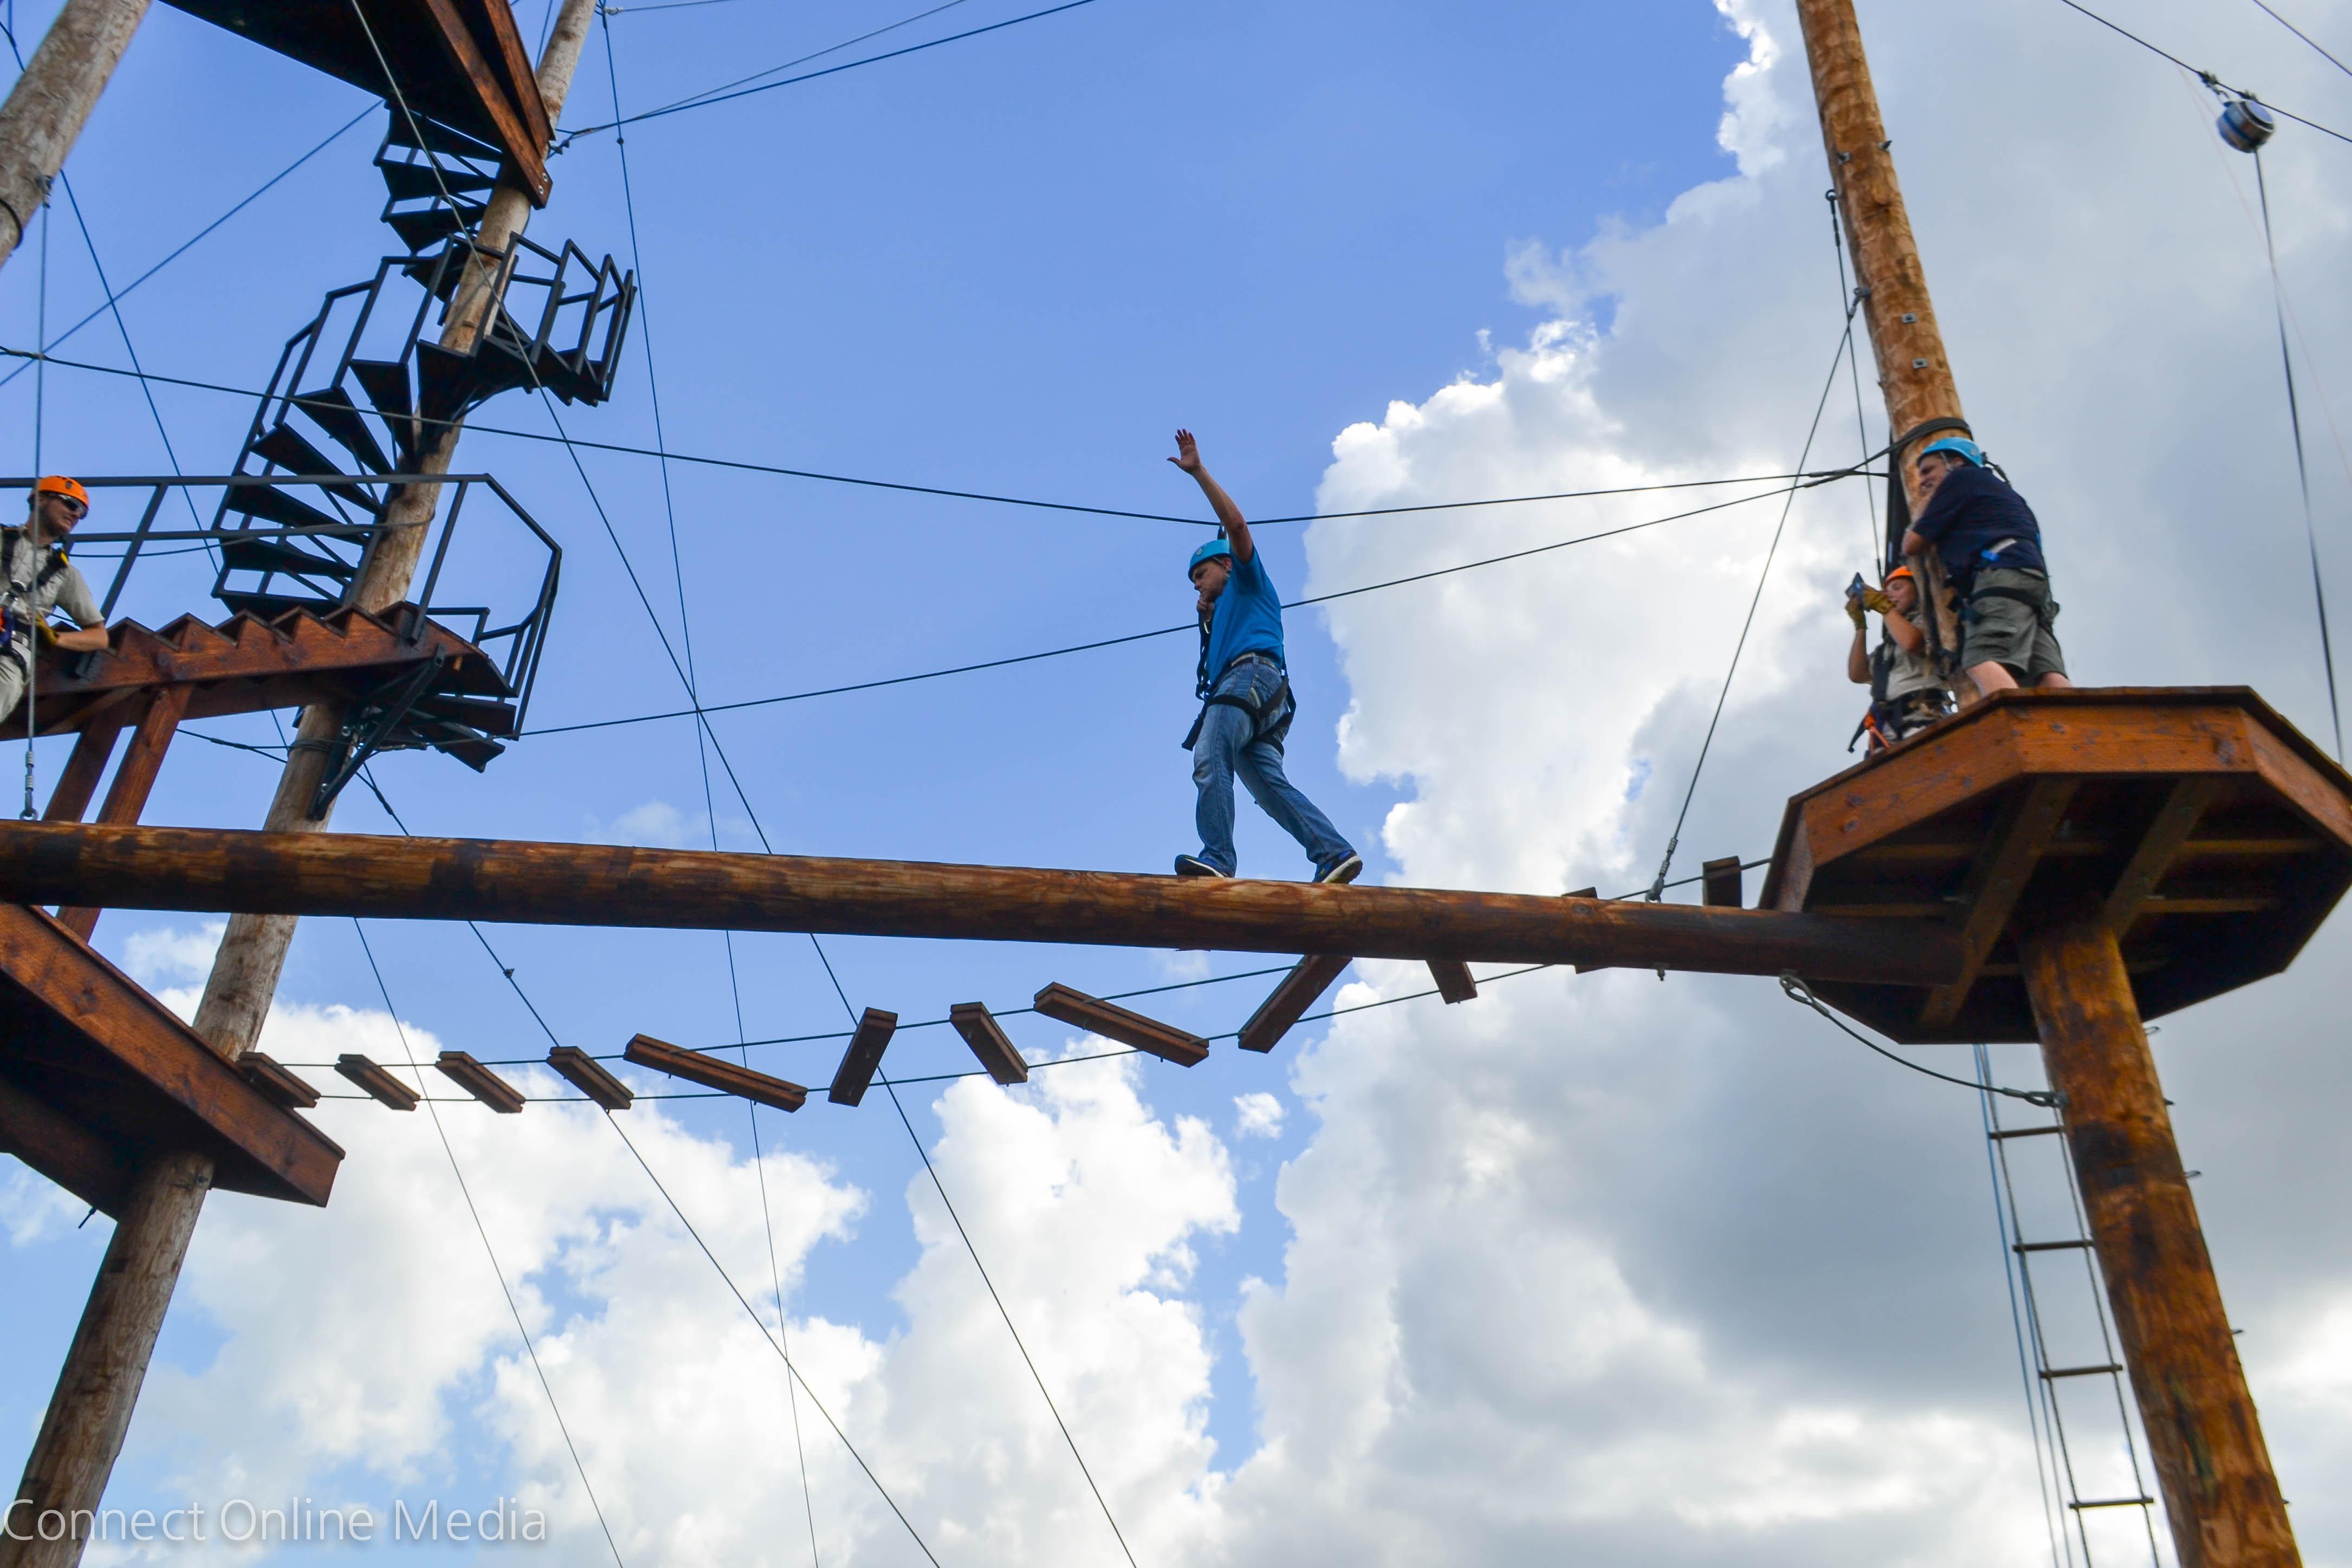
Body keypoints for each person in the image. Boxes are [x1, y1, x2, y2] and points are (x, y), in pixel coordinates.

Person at [1168, 430, 1361, 884]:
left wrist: (1198, 473)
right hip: (1267, 699)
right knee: (1269, 787)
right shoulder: (1225, 612)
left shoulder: (1248, 580)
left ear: (1227, 565)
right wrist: (1208, 618)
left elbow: (1236, 527)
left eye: (1202, 572)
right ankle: (1332, 852)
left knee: (1209, 754)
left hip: (1250, 681)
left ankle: (1217, 857)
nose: (1196, 583)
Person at [1900, 437, 2070, 696]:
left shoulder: (1960, 479)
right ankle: (2071, 731)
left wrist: (1925, 502)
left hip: (2002, 576)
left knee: (1980, 659)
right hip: (2032, 581)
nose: (1922, 481)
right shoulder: (2002, 492)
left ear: (1955, 462)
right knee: (2046, 673)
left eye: (1928, 470)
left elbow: (1911, 544)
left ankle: (2020, 732)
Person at [2, 477, 109, 723]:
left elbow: (99, 636)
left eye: (81, 513)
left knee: (5, 686)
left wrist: (55, 638)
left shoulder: (65, 574)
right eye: (71, 504)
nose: (76, 514)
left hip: (11, 649)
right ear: (41, 500)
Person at [1845, 563, 1951, 751]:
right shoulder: (1886, 649)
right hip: (1885, 723)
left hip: (1921, 714)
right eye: (1886, 592)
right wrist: (1860, 626)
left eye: (1897, 588)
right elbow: (1857, 674)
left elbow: (1912, 643)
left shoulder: (1931, 622)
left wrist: (1883, 606)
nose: (1889, 595)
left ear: (1917, 591)